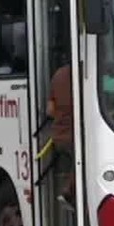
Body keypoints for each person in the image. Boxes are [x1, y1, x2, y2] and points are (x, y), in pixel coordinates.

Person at [47, 59, 75, 210]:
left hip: (58, 135)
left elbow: (50, 110)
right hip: (73, 136)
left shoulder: (58, 75)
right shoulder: (85, 75)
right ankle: (68, 193)